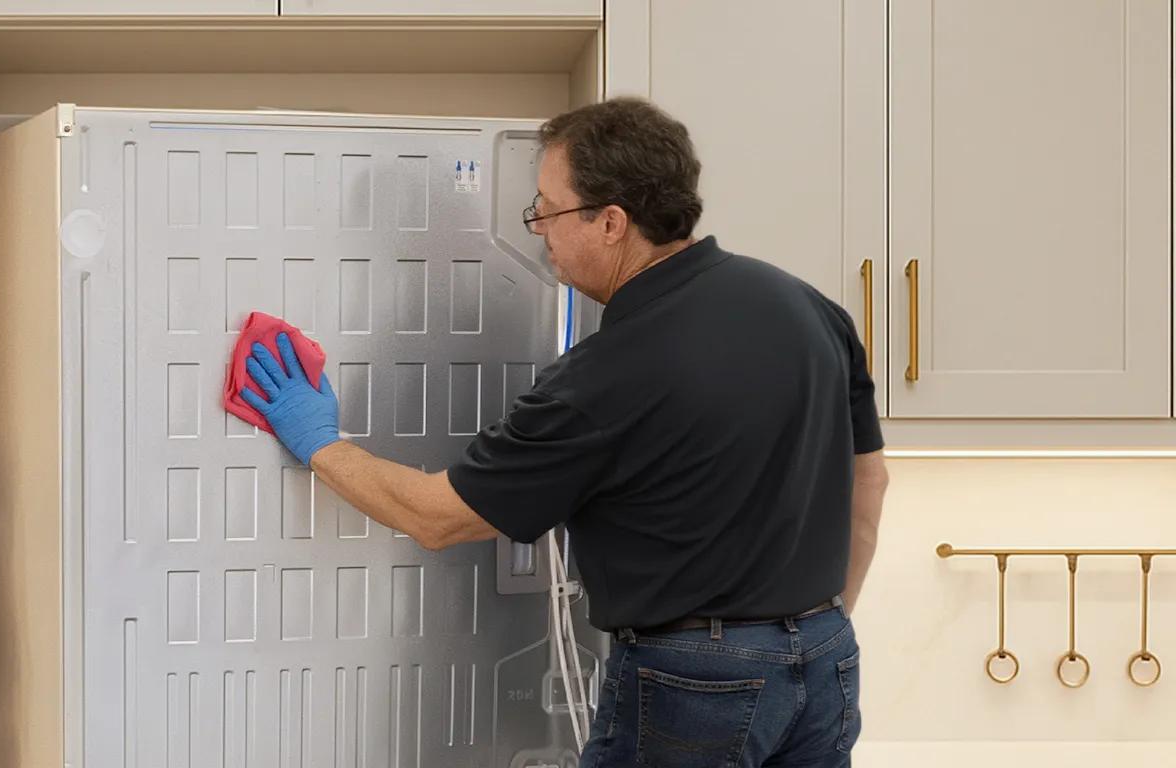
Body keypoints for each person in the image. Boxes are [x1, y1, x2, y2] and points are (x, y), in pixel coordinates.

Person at [240, 97, 889, 767]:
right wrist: (813, 627)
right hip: (824, 663)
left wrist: (317, 441)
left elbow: (434, 517)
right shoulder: (810, 307)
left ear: (611, 222)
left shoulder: (608, 374)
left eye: (547, 210)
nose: (538, 231)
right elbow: (869, 486)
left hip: (697, 685)